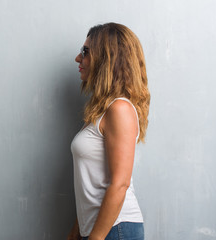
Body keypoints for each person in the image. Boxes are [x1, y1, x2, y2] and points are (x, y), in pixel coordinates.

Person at [67, 23, 151, 240]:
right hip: (100, 230)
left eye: (85, 52)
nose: (78, 58)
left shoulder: (119, 109)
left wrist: (95, 237)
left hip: (116, 230)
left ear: (106, 58)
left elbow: (119, 183)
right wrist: (76, 231)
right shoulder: (101, 110)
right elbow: (93, 182)